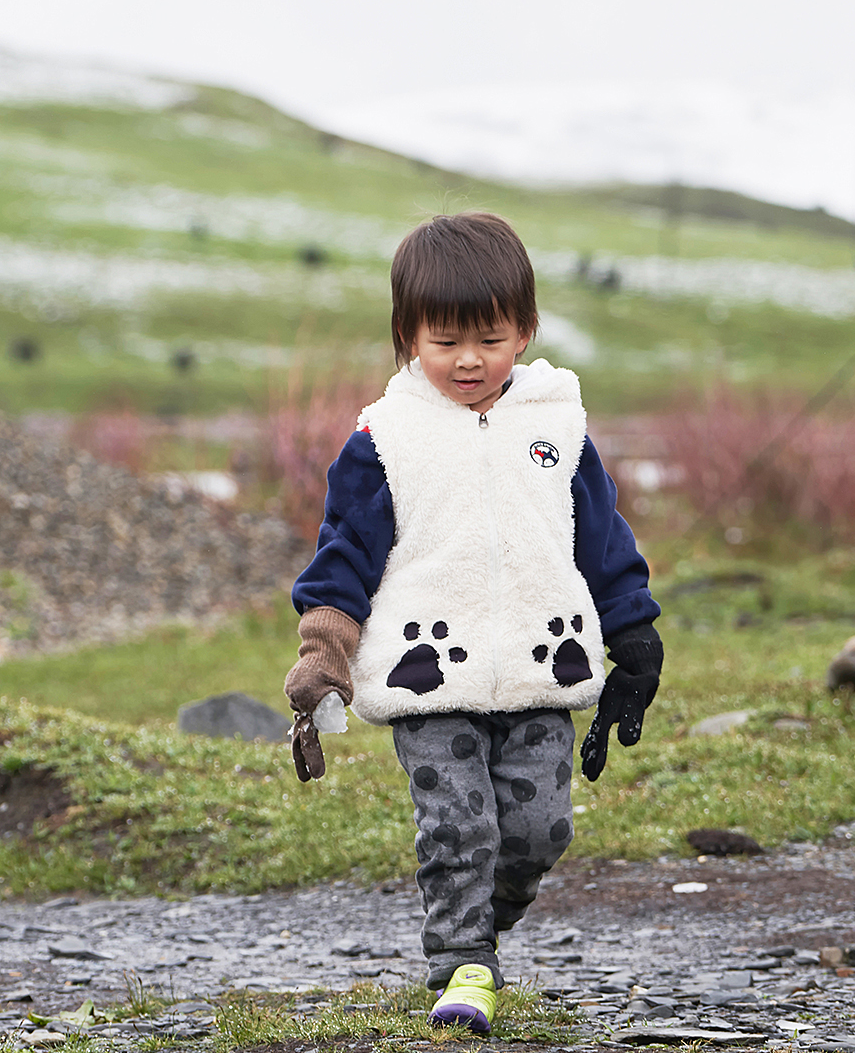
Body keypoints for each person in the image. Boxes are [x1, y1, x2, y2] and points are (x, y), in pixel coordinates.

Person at [283, 211, 662, 1033]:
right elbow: (343, 558)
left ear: (524, 331)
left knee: (539, 829)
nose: (467, 360)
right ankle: (461, 967)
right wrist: (324, 655)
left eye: (488, 339)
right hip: (430, 681)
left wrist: (633, 634)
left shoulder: (558, 427)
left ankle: (478, 935)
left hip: (542, 669)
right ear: (407, 336)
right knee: (458, 825)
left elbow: (602, 542)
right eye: (445, 340)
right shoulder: (384, 441)